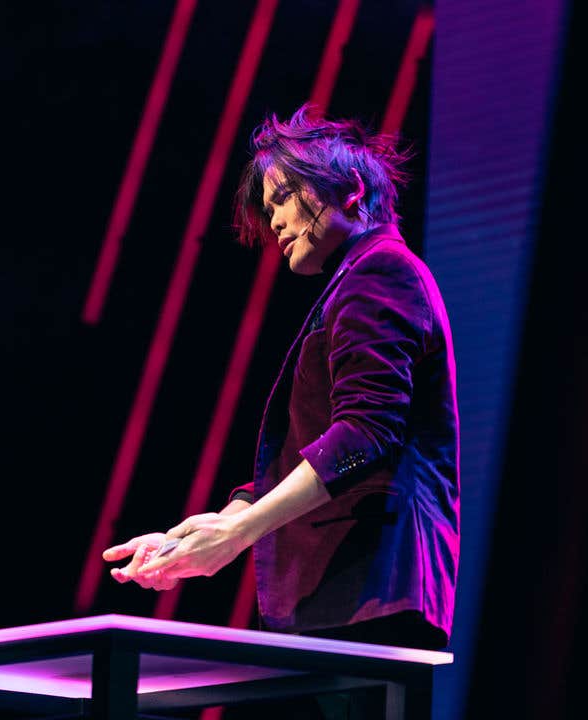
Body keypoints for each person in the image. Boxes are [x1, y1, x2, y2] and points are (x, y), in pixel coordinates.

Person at [103, 103, 459, 670]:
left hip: (368, 586)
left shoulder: (379, 272)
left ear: (349, 190)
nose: (273, 221)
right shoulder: (357, 280)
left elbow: (365, 436)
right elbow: (324, 440)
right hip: (346, 594)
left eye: (284, 198)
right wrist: (224, 520)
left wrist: (241, 532)